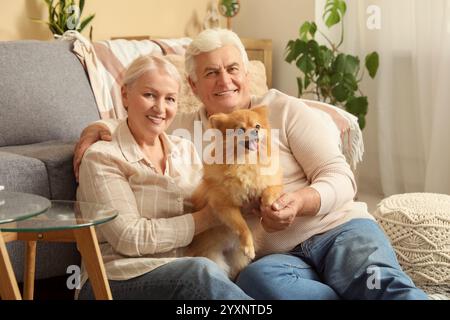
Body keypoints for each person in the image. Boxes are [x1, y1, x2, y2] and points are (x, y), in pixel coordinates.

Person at [74, 29, 428, 300]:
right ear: (194, 86)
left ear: (247, 74)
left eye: (232, 69)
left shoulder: (285, 110)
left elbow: (339, 177)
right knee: (260, 286)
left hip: (335, 229)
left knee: (376, 282)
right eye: (211, 73)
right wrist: (97, 128)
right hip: (275, 258)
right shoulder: (185, 130)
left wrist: (300, 202)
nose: (224, 80)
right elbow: (143, 120)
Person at [76, 54, 251, 300]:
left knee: (248, 275)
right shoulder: (102, 157)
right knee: (199, 273)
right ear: (125, 95)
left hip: (183, 273)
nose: (160, 108)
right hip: (114, 280)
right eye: (149, 95)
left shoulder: (185, 149)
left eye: (170, 99)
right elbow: (128, 237)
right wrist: (208, 218)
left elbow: (210, 197)